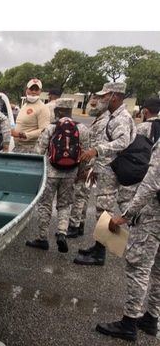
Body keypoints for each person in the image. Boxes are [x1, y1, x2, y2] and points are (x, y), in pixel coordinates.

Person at [95, 147, 160, 341]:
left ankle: (129, 322)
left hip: (154, 218)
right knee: (158, 270)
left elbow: (150, 184)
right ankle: (151, 317)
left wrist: (125, 216)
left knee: (138, 268)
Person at [75, 82, 136, 266]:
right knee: (102, 210)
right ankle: (98, 247)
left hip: (112, 172)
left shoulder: (122, 118)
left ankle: (99, 254)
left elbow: (123, 142)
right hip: (105, 170)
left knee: (105, 212)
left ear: (115, 96)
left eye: (104, 96)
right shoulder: (111, 116)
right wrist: (95, 166)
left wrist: (97, 150)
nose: (101, 99)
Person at [25, 98, 90, 253]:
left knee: (45, 204)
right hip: (71, 173)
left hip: (51, 173)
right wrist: (81, 172)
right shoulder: (82, 129)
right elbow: (86, 154)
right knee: (65, 204)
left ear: (58, 111)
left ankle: (42, 238)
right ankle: (62, 233)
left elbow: (39, 152)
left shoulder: (50, 128)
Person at [66, 93, 106, 238]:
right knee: (82, 195)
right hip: (89, 164)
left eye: (94, 103)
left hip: (91, 165)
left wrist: (89, 168)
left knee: (79, 195)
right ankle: (79, 224)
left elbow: (99, 147)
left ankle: (74, 226)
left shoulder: (104, 121)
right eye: (91, 102)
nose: (91, 105)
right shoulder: (99, 120)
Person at [11, 78, 50, 153]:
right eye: (31, 89)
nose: (33, 92)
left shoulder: (43, 108)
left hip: (30, 149)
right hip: (18, 147)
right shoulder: (25, 105)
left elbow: (44, 130)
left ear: (40, 91)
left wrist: (23, 135)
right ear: (26, 90)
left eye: (36, 89)